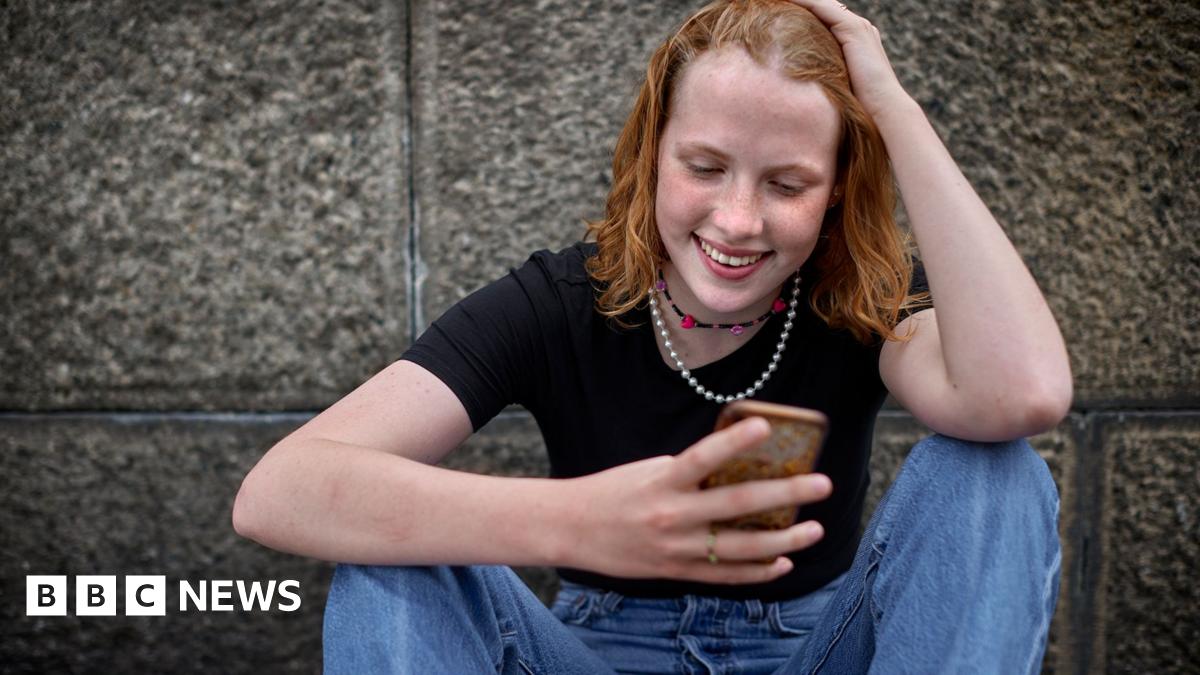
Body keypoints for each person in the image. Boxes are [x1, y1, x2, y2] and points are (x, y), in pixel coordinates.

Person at [232, 0, 1072, 672]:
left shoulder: (863, 294)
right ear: (652, 156)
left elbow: (1023, 394)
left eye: (787, 183)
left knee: (990, 469)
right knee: (390, 548)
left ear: (835, 192)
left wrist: (892, 107)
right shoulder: (560, 301)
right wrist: (576, 522)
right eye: (704, 167)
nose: (738, 220)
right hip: (591, 647)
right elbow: (278, 490)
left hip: (811, 647)